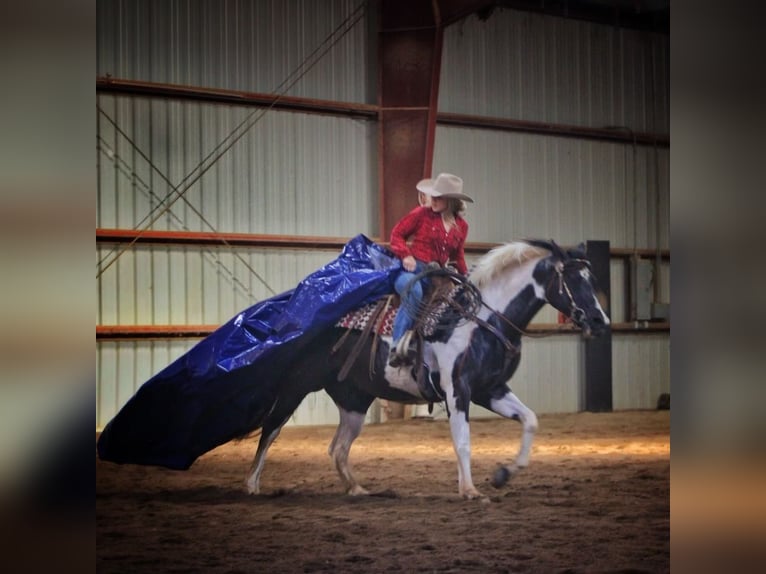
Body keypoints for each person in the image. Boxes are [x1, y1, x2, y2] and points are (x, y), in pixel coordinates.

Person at [388, 172, 474, 366]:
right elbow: (397, 234)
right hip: (411, 271)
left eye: (438, 197)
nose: (432, 199)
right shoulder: (421, 214)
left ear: (450, 201)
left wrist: (467, 279)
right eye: (432, 195)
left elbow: (458, 256)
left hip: (439, 275)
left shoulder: (461, 226)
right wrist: (406, 255)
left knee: (459, 304)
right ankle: (396, 346)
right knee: (414, 292)